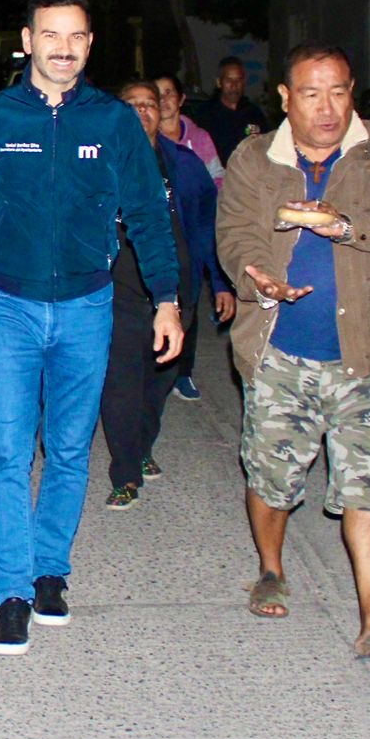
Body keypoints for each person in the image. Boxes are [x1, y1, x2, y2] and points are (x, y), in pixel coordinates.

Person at [0, 0, 183, 656]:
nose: (63, 49)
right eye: (51, 35)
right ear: (27, 41)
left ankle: (50, 573)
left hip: (87, 305)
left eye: (75, 36)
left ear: (90, 44)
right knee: (9, 450)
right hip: (8, 306)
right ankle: (11, 591)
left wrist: (166, 296)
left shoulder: (112, 123)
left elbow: (150, 218)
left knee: (71, 450)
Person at [216, 43, 370, 661]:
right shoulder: (255, 158)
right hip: (280, 351)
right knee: (273, 480)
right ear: (285, 98)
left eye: (338, 91)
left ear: (352, 90)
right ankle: (271, 568)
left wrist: (341, 224)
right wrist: (258, 277)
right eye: (311, 93)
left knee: (368, 486)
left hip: (367, 354)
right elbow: (234, 235)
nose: (327, 107)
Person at [100, 82, 233, 509]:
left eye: (148, 104)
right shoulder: (101, 162)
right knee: (121, 386)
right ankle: (124, 471)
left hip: (177, 293)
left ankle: (142, 448)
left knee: (158, 384)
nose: (141, 111)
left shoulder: (184, 164)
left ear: (161, 111)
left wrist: (222, 283)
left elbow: (208, 228)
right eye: (131, 104)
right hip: (119, 292)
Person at [154, 72, 227, 402]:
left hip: (193, 237)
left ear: (181, 99)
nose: (164, 99)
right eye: (158, 94)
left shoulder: (198, 140)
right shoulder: (142, 140)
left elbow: (217, 185)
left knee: (189, 306)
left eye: (170, 93)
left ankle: (184, 372)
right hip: (158, 239)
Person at [192, 56, 268, 166]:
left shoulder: (254, 113)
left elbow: (265, 146)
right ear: (219, 82)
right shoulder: (206, 114)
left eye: (238, 80)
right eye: (229, 80)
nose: (234, 85)